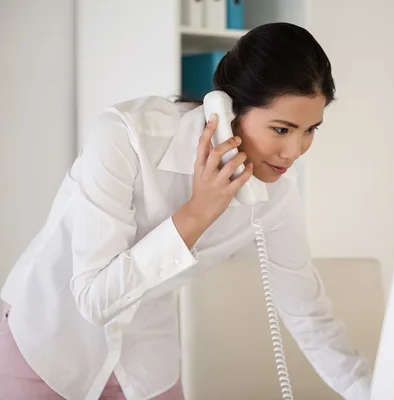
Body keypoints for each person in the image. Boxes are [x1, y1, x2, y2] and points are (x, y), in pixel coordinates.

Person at [0, 22, 371, 400]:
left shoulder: (274, 199)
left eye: (310, 130)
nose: (294, 152)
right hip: (47, 344)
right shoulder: (126, 137)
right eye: (281, 129)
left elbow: (308, 314)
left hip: (145, 361)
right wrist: (196, 214)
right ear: (228, 110)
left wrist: (371, 391)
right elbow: (94, 299)